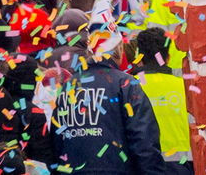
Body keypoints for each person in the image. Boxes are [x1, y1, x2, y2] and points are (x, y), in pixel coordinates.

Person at [43, 10, 170, 175]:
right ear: (117, 49)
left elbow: (56, 143)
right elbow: (144, 142)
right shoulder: (126, 84)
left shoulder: (69, 86)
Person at [130, 27, 192, 174]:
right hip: (184, 166)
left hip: (144, 166)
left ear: (138, 58)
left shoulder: (130, 88)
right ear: (168, 57)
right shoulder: (184, 87)